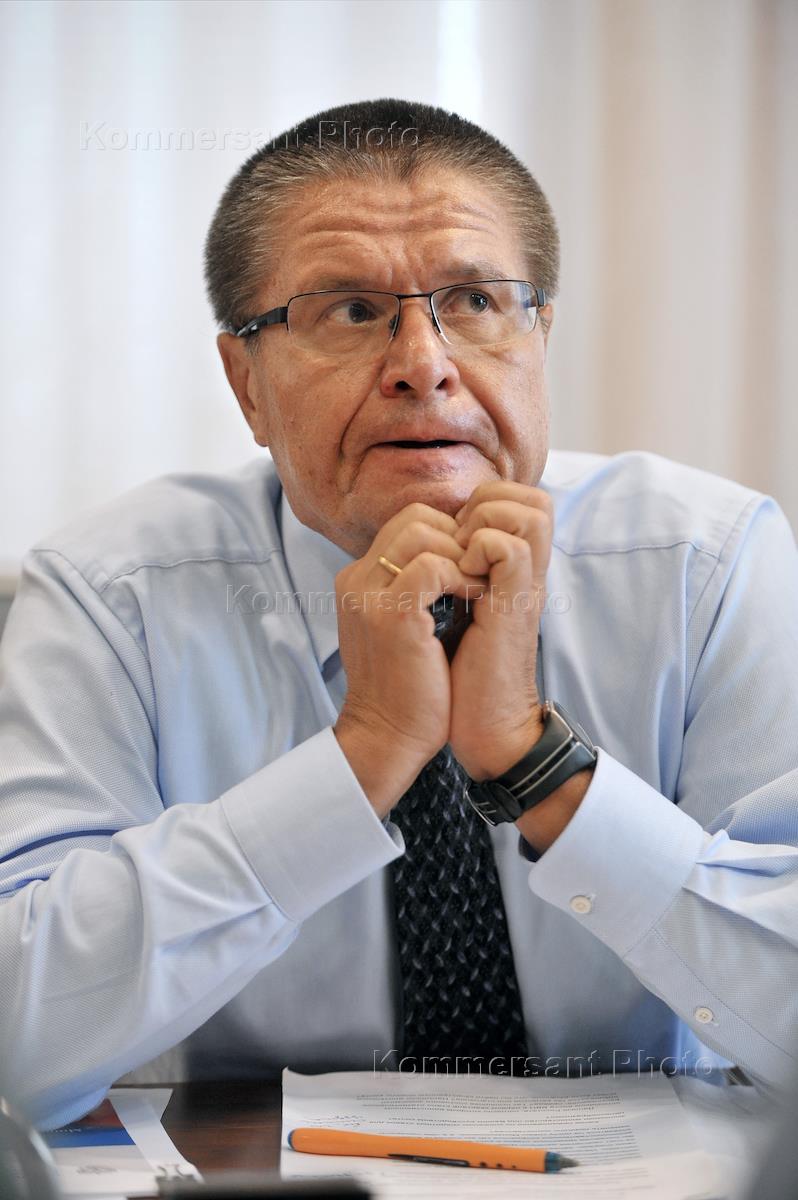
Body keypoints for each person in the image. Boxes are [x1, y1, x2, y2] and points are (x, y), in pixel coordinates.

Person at [1, 99, 797, 1132]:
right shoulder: (112, 595)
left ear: (539, 338)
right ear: (247, 384)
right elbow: (17, 1046)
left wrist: (537, 766)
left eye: (474, 301)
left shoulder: (707, 565)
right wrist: (364, 753)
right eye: (349, 310)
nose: (425, 361)